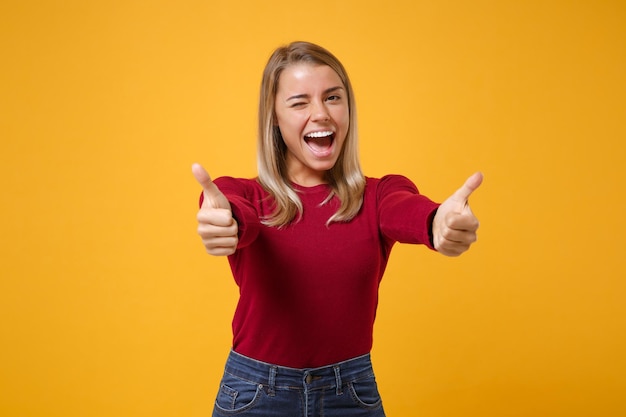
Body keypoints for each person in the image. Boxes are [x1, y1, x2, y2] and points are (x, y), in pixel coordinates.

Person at [192, 41, 482, 417]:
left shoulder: (379, 195)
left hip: (351, 393)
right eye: (299, 102)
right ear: (274, 118)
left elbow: (407, 210)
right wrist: (223, 219)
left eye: (333, 98)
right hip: (255, 394)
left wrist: (437, 222)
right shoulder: (245, 194)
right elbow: (233, 212)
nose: (321, 114)